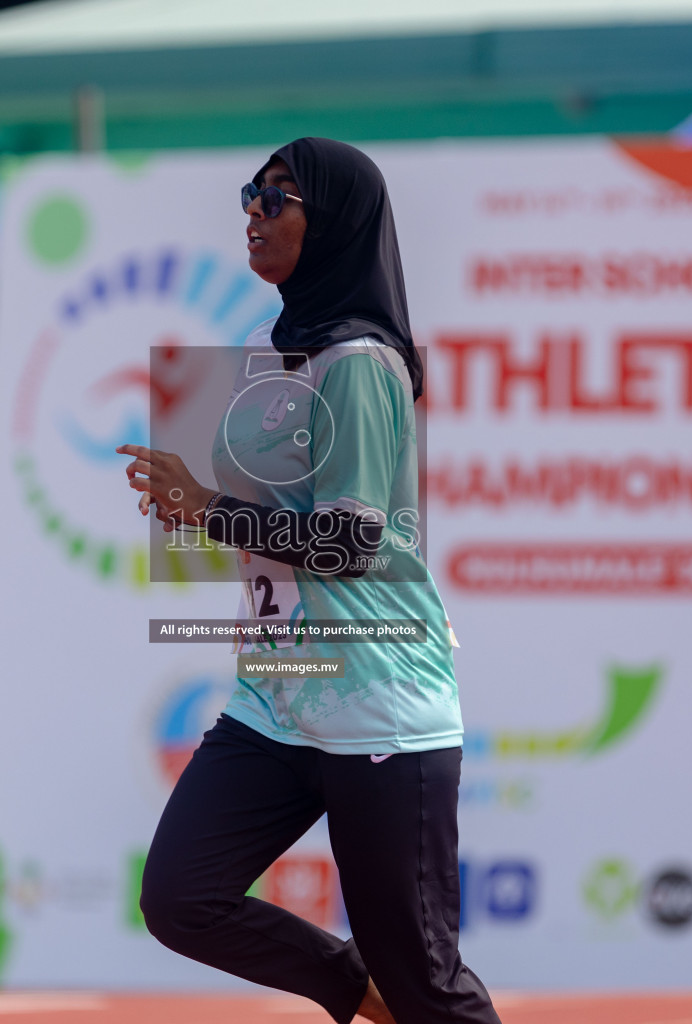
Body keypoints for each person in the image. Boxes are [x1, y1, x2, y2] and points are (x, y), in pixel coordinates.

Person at [117, 138, 501, 1024]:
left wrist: (209, 508)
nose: (251, 210)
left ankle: (396, 991)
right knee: (180, 897)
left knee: (429, 987)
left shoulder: (361, 364)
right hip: (280, 701)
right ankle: (356, 989)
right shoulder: (263, 345)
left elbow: (353, 543)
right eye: (250, 192)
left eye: (277, 199)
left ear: (331, 226)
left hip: (380, 706)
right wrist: (199, 507)